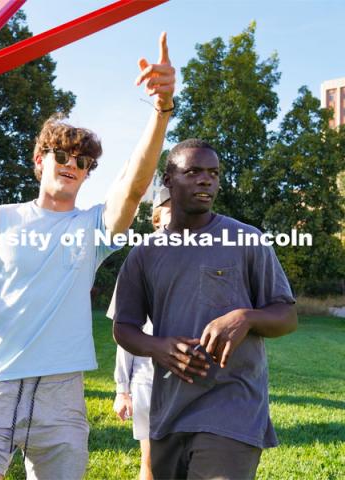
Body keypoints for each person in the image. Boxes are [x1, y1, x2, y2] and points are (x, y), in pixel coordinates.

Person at [0, 33, 175, 480]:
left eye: (83, 162)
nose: (72, 164)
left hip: (62, 395)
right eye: (62, 154)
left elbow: (134, 185)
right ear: (39, 159)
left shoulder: (93, 227)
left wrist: (161, 111)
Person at [110, 139, 298, 480]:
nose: (205, 180)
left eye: (213, 173)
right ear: (168, 180)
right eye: (193, 171)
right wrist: (159, 348)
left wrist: (247, 317)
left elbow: (286, 315)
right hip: (169, 412)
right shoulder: (145, 254)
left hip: (232, 408)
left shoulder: (247, 240)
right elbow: (124, 327)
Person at [112, 187, 171, 480]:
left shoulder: (206, 256)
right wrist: (123, 390)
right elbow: (124, 334)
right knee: (150, 465)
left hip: (194, 381)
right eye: (170, 211)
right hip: (149, 381)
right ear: (157, 218)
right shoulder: (140, 259)